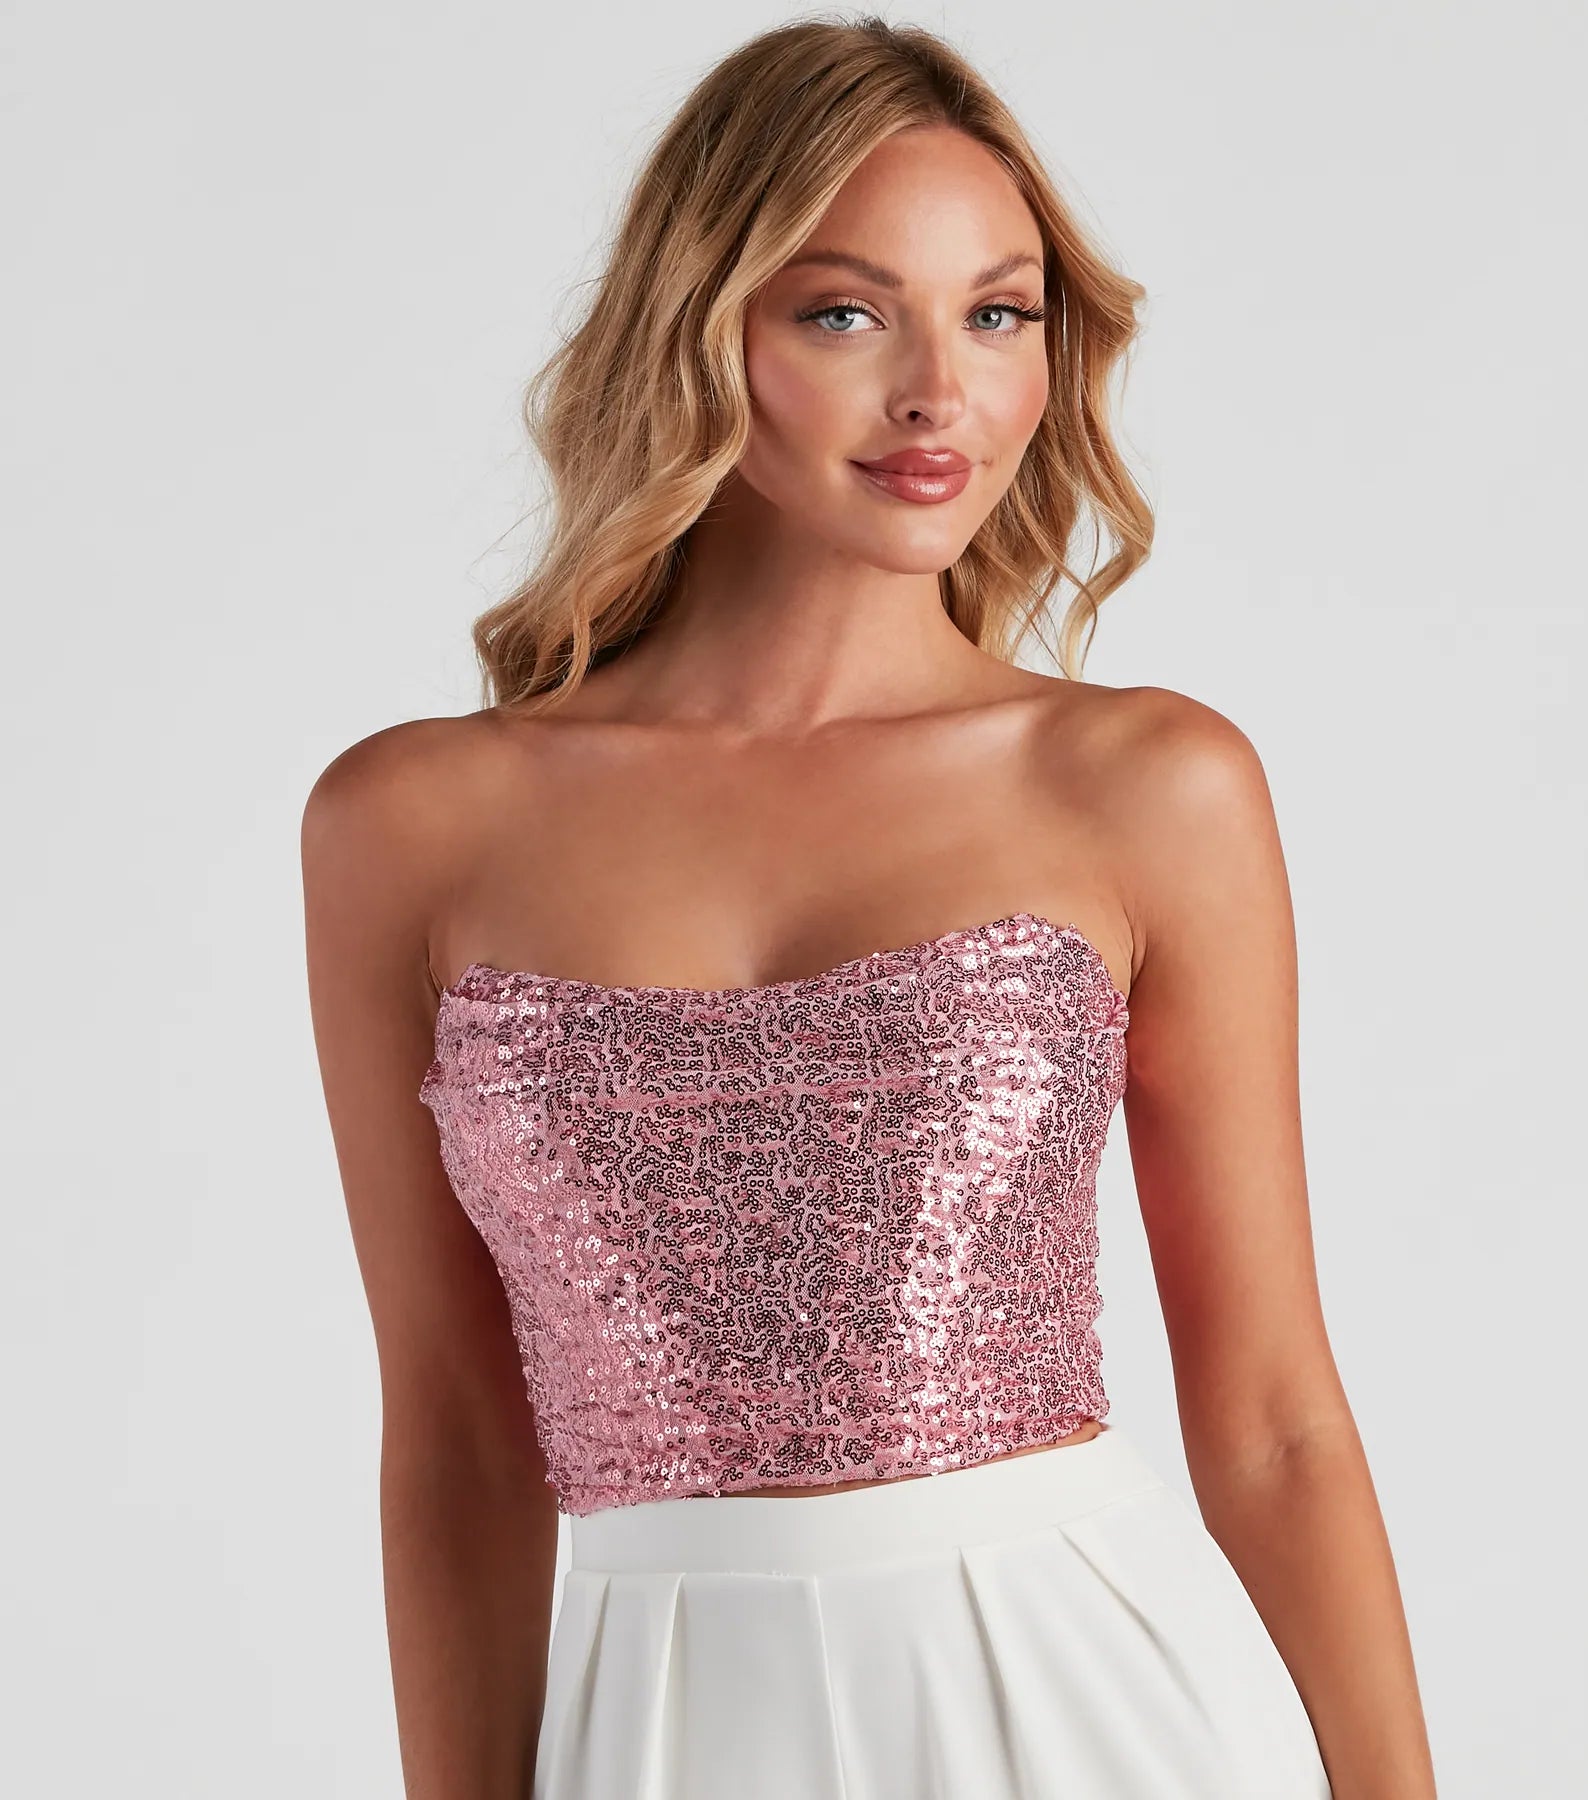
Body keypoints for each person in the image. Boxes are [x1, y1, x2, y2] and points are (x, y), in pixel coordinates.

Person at [302, 16, 1436, 1799]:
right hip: (661, 1727)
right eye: (844, 314)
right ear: (698, 333)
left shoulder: (1140, 784)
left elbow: (1277, 1424)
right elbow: (454, 1443)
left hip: (1098, 1710)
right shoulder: (413, 822)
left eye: (998, 314)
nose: (939, 394)